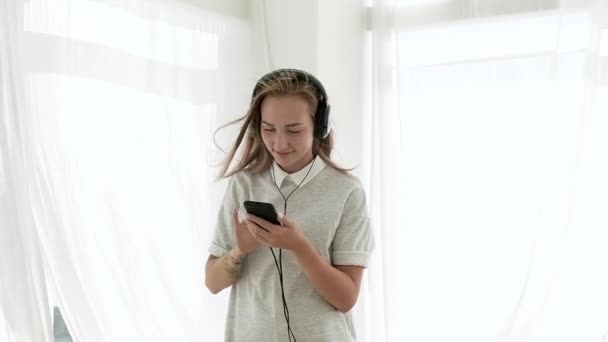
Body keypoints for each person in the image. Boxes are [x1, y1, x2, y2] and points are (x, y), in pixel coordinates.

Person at [205, 68, 374, 342]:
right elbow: (213, 283)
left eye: (294, 130)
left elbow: (345, 299)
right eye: (268, 129)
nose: (279, 143)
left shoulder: (346, 191)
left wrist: (299, 245)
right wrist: (240, 251)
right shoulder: (243, 185)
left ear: (320, 126)